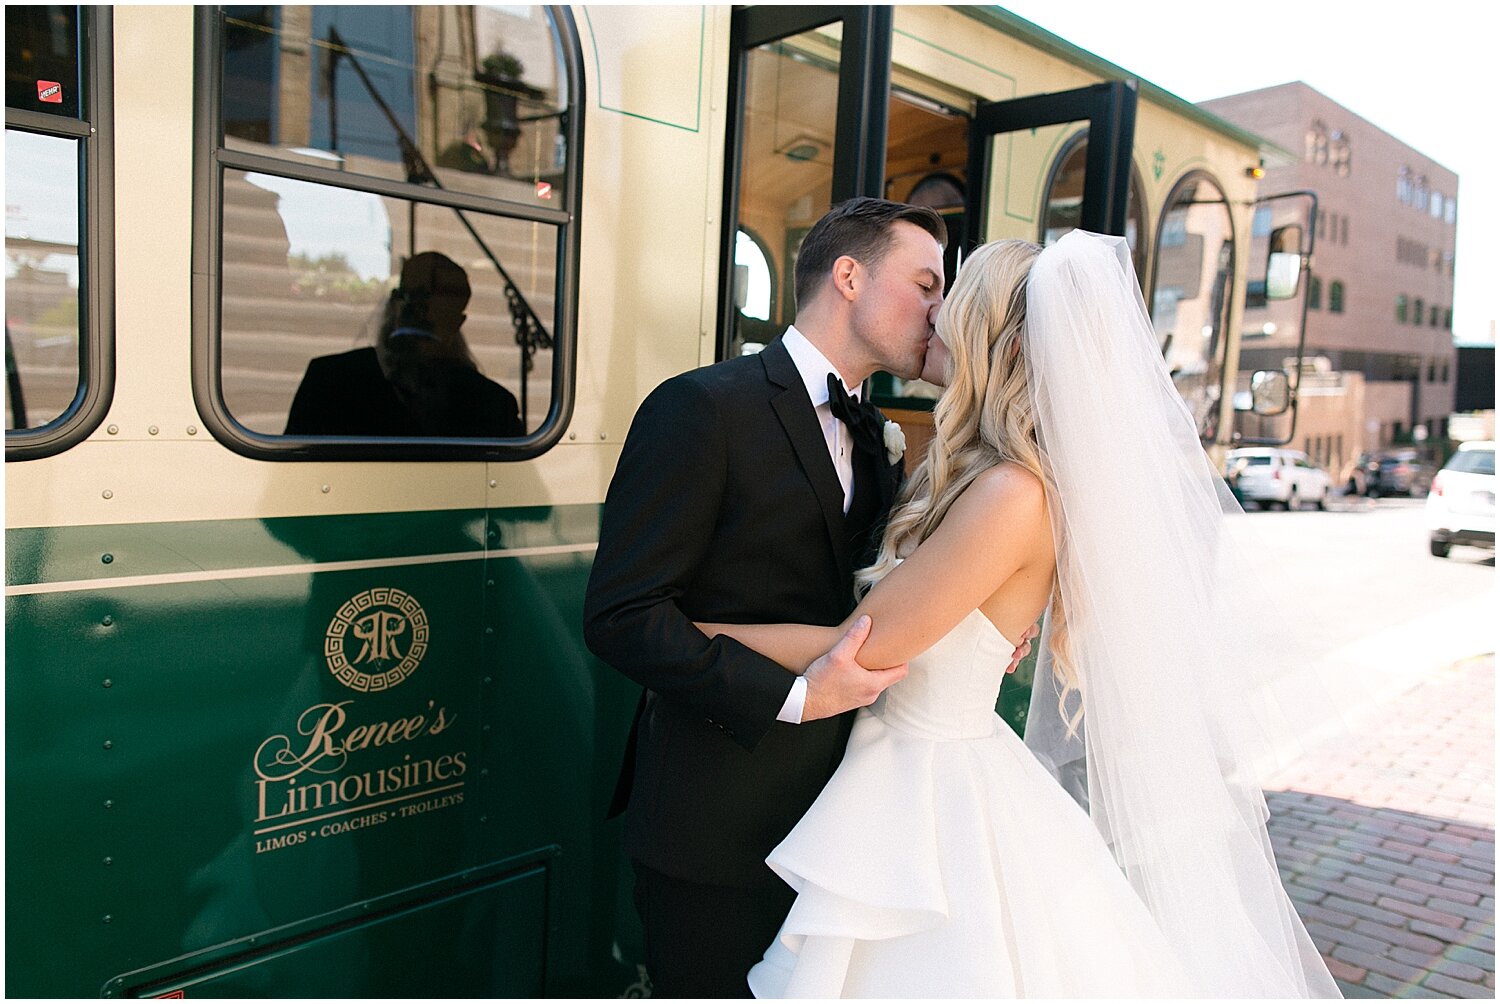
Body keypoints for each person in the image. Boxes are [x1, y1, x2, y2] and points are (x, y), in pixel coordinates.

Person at [698, 232, 1342, 997]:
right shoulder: (980, 469)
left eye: (952, 307)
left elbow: (862, 645)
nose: (933, 318)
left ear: (995, 341)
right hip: (911, 763)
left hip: (935, 790)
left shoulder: (1011, 493)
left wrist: (696, 628)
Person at [582, 198, 1037, 998]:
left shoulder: (887, 434)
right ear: (850, 277)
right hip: (716, 825)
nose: (941, 309)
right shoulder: (702, 408)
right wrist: (795, 696)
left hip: (847, 828)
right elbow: (622, 615)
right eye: (926, 283)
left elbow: (884, 593)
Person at [283, 251, 524, 438]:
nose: (419, 313)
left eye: (428, 304)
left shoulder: (330, 377)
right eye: (415, 300)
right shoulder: (330, 380)